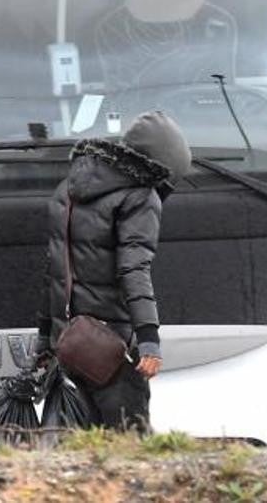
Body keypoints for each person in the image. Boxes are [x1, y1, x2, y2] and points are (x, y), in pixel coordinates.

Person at [36, 110, 189, 433]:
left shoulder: (68, 188)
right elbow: (134, 268)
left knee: (90, 435)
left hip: (72, 339)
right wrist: (148, 338)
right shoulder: (140, 196)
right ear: (163, 164)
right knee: (130, 438)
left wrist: (44, 338)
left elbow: (55, 271)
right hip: (112, 345)